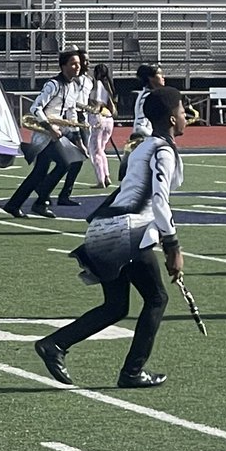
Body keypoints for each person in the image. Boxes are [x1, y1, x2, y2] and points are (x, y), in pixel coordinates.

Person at [34, 86, 187, 389]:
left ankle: (54, 344)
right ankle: (132, 372)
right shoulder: (163, 151)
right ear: (171, 118)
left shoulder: (143, 146)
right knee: (157, 299)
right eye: (182, 111)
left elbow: (129, 189)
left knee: (116, 306)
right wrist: (173, 246)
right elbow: (159, 201)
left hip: (107, 226)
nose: (186, 116)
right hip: (126, 231)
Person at [3, 48, 85, 219]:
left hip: (57, 133)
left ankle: (14, 204)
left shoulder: (74, 86)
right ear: (63, 66)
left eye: (78, 63)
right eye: (73, 64)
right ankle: (41, 202)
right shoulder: (53, 85)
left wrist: (78, 140)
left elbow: (72, 113)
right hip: (44, 134)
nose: (77, 66)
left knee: (39, 173)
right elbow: (36, 108)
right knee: (64, 163)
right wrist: (49, 128)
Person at [52, 49, 92, 207]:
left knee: (79, 158)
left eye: (86, 61)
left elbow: (85, 99)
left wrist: (93, 107)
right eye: (83, 60)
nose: (85, 64)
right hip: (70, 119)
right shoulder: (70, 81)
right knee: (71, 157)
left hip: (82, 119)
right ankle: (51, 190)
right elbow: (70, 104)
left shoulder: (88, 80)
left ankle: (63, 193)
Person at [86, 63, 118, 189]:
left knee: (95, 151)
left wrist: (89, 105)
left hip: (98, 117)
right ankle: (106, 176)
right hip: (108, 118)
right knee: (101, 150)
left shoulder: (98, 84)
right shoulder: (109, 86)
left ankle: (101, 179)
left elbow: (98, 102)